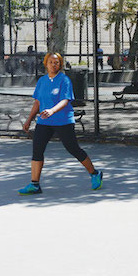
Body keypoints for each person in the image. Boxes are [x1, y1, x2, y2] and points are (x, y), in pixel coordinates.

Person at [18, 53, 103, 195]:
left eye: (56, 62)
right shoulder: (42, 81)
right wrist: (29, 120)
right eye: (51, 62)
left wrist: (52, 110)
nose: (54, 64)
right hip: (44, 122)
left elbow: (65, 100)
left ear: (60, 64)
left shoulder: (65, 80)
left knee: (73, 148)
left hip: (63, 120)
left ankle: (95, 174)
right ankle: (34, 184)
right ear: (46, 64)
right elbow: (38, 102)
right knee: (37, 150)